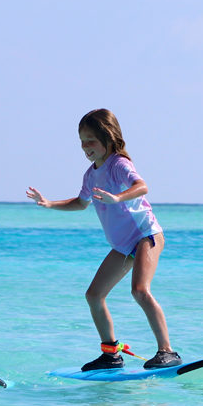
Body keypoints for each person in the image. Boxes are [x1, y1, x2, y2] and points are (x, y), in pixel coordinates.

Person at [27, 108, 181, 370]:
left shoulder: (119, 164)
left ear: (108, 138)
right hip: (123, 246)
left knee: (139, 290)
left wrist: (118, 197)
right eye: (82, 141)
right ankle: (111, 354)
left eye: (91, 140)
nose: (86, 147)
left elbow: (142, 186)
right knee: (94, 295)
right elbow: (80, 203)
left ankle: (167, 351)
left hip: (146, 235)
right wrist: (49, 203)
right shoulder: (91, 174)